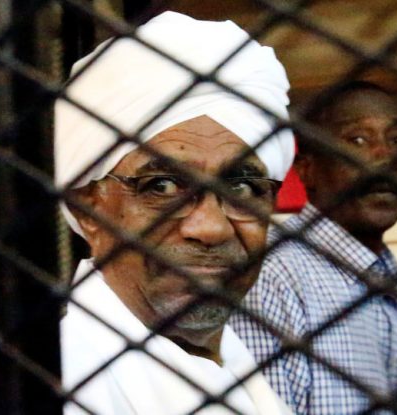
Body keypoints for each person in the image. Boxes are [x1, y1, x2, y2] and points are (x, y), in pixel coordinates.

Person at [55, 12, 295, 415]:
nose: (211, 228)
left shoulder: (235, 365)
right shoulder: (63, 382)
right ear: (88, 209)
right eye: (162, 186)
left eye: (241, 188)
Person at [230, 81, 397, 414]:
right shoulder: (272, 273)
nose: (385, 157)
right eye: (358, 140)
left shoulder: (391, 277)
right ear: (307, 170)